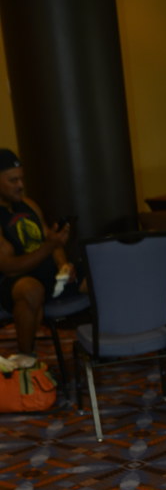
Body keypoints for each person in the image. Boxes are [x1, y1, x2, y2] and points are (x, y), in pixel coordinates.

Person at [0, 149, 79, 368]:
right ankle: (26, 357)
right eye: (13, 180)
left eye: (21, 179)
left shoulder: (29, 204)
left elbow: (51, 241)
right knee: (31, 290)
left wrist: (63, 265)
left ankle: (108, 346)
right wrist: (50, 246)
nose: (20, 185)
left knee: (97, 276)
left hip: (47, 273)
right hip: (14, 281)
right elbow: (9, 267)